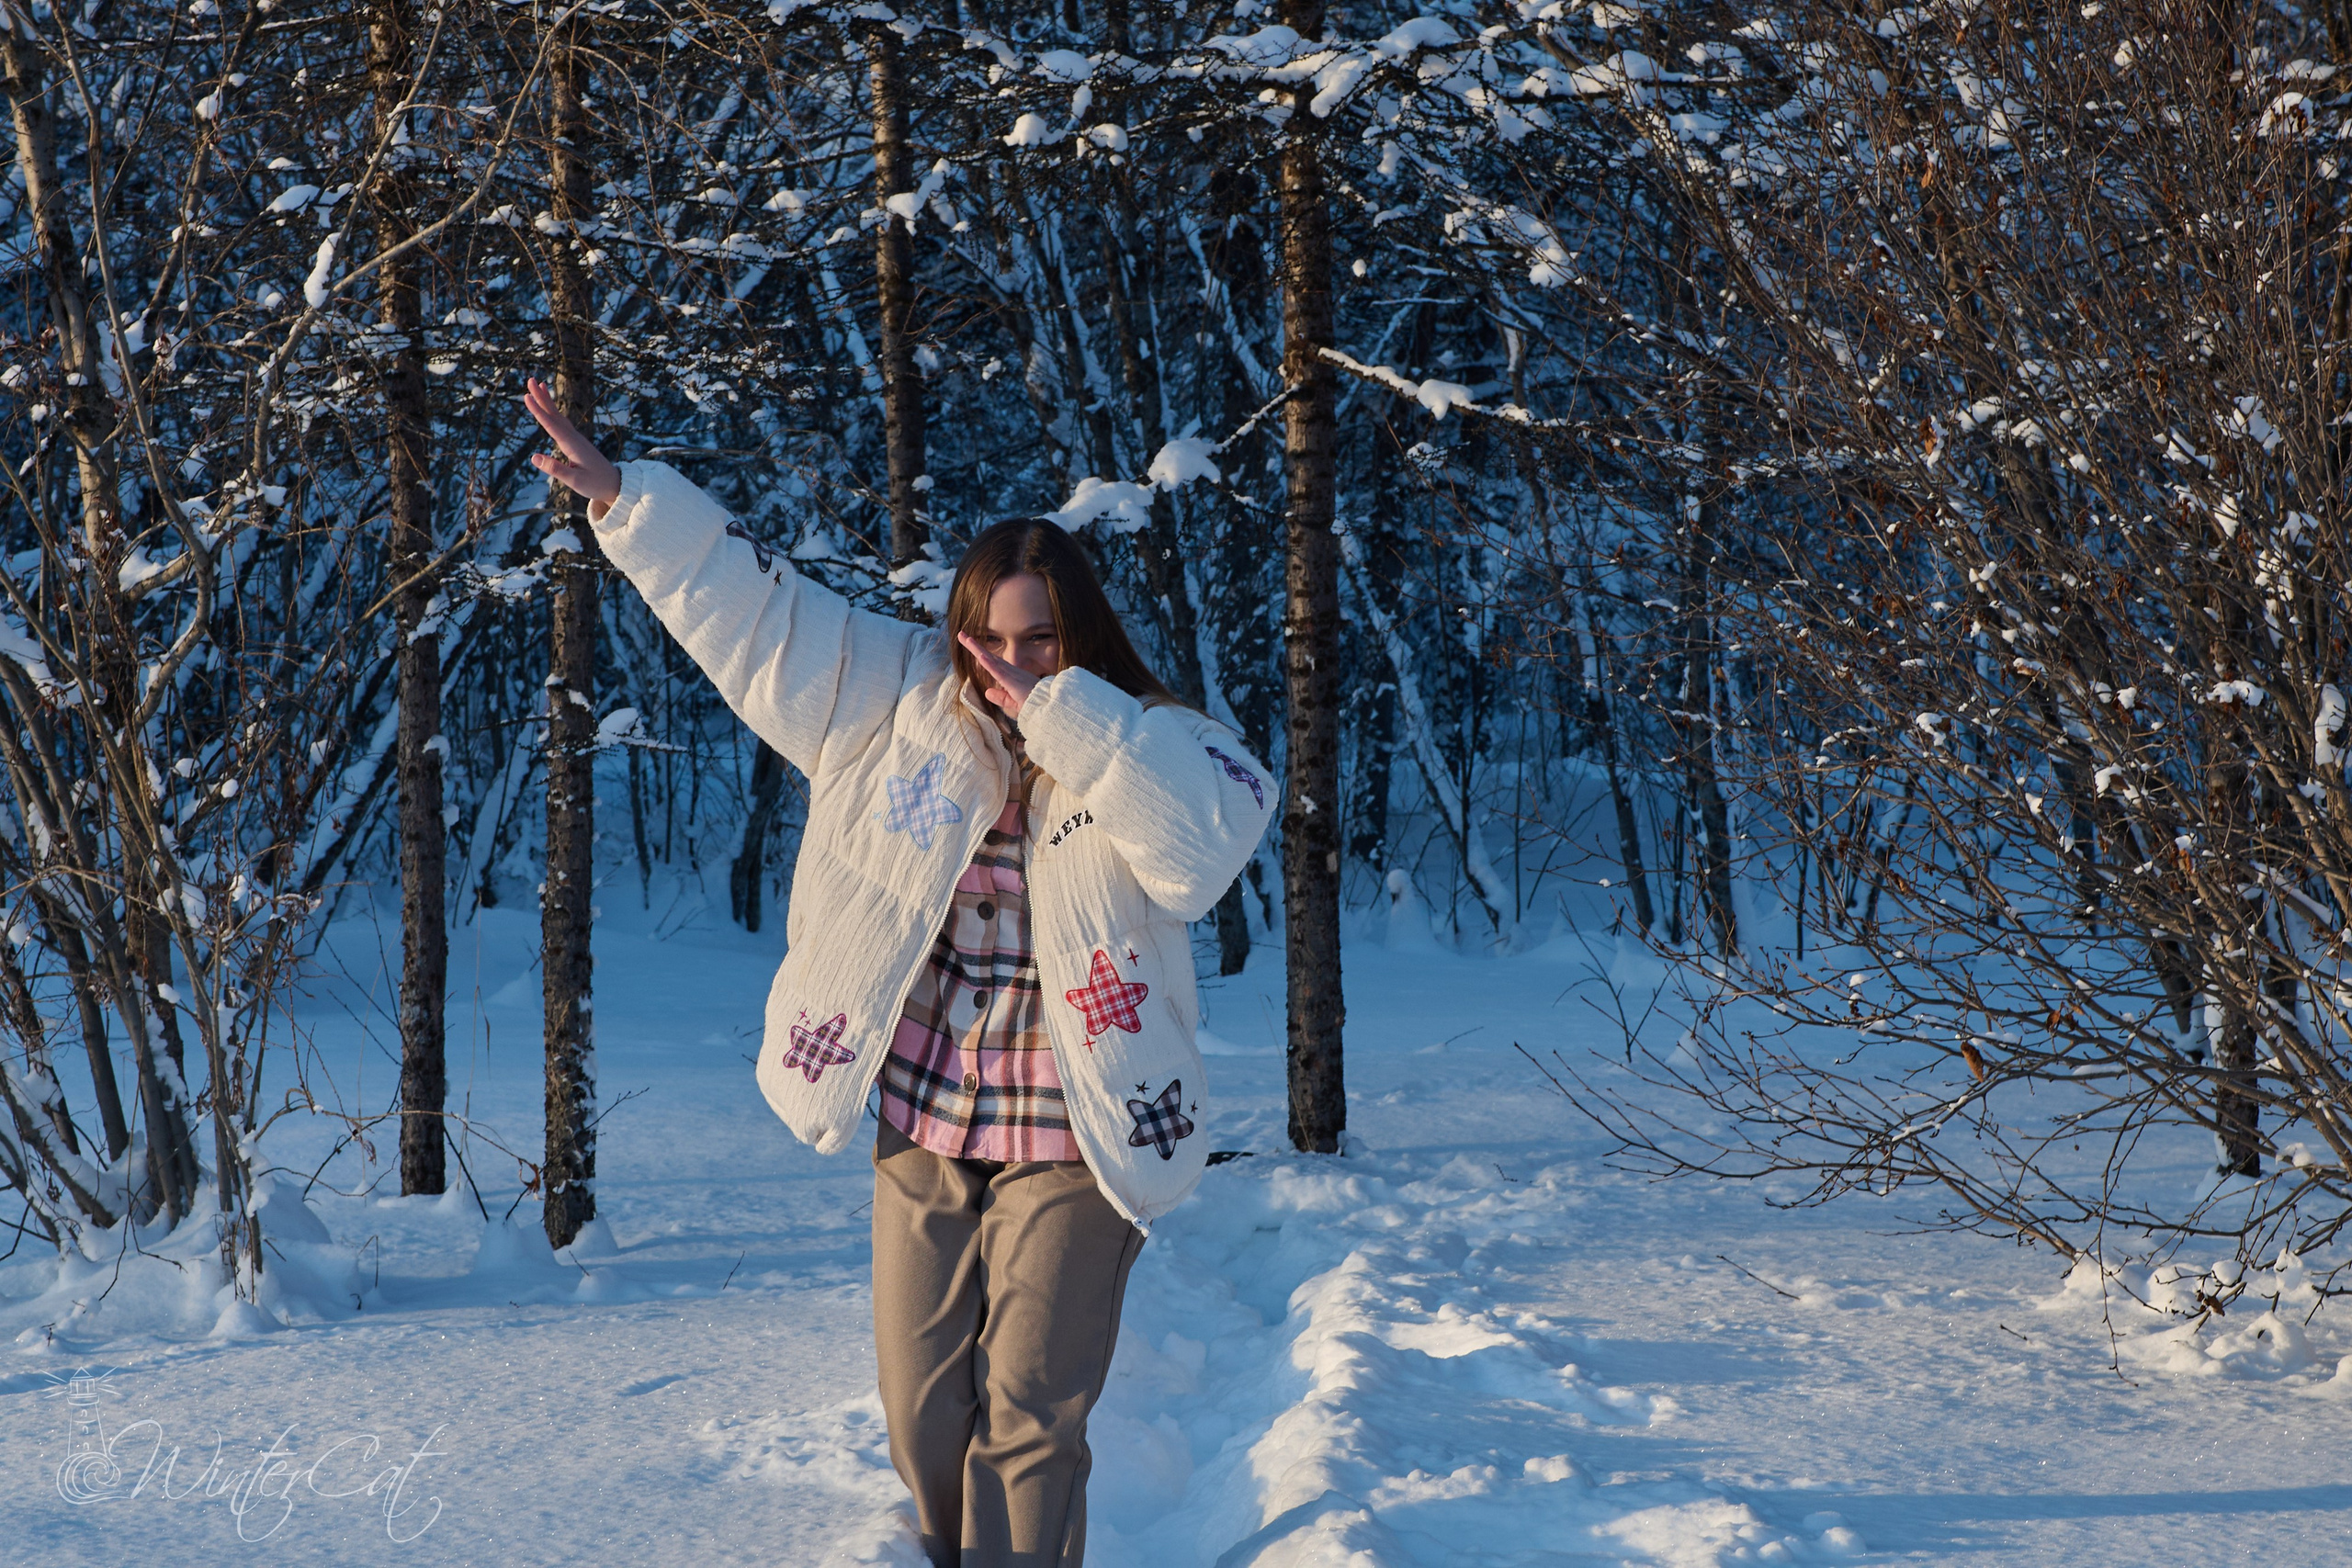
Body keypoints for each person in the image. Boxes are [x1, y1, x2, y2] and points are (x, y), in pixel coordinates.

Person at [522, 379, 1273, 1566]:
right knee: (924, 1405)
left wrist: (1069, 720)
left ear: (1079, 640)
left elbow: (1205, 848)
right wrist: (627, 503)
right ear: (959, 634)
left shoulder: (1151, 740)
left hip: (1077, 1130)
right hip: (926, 1117)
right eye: (996, 640)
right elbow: (758, 619)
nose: (1015, 666)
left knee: (1029, 1407)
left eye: (1043, 641)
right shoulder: (892, 699)